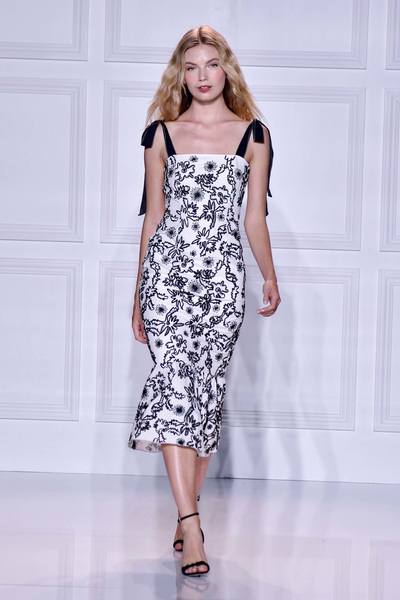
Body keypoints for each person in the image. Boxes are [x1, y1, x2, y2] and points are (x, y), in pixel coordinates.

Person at [128, 25, 281, 577]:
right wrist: (138, 294)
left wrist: (269, 275)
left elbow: (254, 217)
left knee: (205, 396)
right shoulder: (160, 135)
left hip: (221, 282)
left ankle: (184, 507)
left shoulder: (254, 135)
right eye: (191, 67)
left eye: (211, 65)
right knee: (174, 387)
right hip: (168, 279)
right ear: (180, 75)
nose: (202, 76)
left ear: (226, 69)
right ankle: (191, 524)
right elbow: (153, 219)